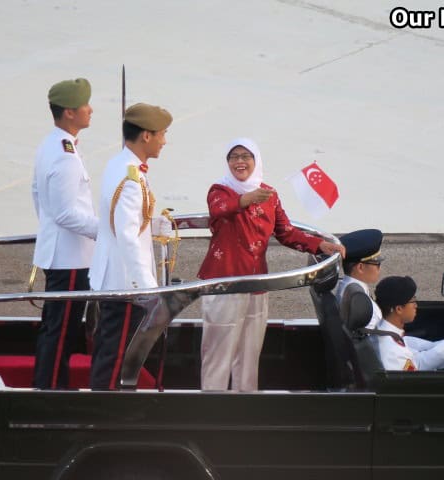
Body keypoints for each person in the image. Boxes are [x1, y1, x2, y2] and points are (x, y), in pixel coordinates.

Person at [197, 137, 345, 391]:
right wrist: (247, 199)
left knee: (249, 354)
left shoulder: (269, 194)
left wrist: (319, 245)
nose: (240, 162)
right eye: (234, 157)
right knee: (218, 353)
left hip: (257, 284)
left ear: (256, 160)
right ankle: (212, 411)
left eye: (246, 156)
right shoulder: (220, 190)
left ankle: (245, 407)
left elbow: (286, 232)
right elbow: (220, 210)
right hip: (223, 283)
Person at [89, 103, 173, 390]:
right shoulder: (130, 177)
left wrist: (155, 226)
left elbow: (131, 222)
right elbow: (126, 236)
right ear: (146, 136)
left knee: (110, 350)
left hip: (116, 278)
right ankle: (106, 417)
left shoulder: (122, 165)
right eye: (162, 134)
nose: (164, 141)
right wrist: (148, 289)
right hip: (126, 283)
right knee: (115, 358)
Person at [31, 78, 98, 389]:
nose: (91, 109)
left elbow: (37, 195)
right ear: (70, 112)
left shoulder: (52, 145)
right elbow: (65, 213)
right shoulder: (64, 155)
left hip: (62, 252)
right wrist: (106, 233)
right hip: (70, 257)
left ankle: (50, 389)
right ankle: (49, 395)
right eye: (85, 105)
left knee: (57, 328)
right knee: (60, 333)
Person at [373, 275, 444, 371]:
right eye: (412, 301)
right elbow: (418, 369)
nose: (416, 305)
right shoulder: (392, 350)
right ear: (399, 309)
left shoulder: (387, 332)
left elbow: (419, 357)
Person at [334, 229, 384, 329]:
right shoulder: (358, 301)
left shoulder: (346, 287)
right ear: (360, 267)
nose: (380, 268)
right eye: (377, 264)